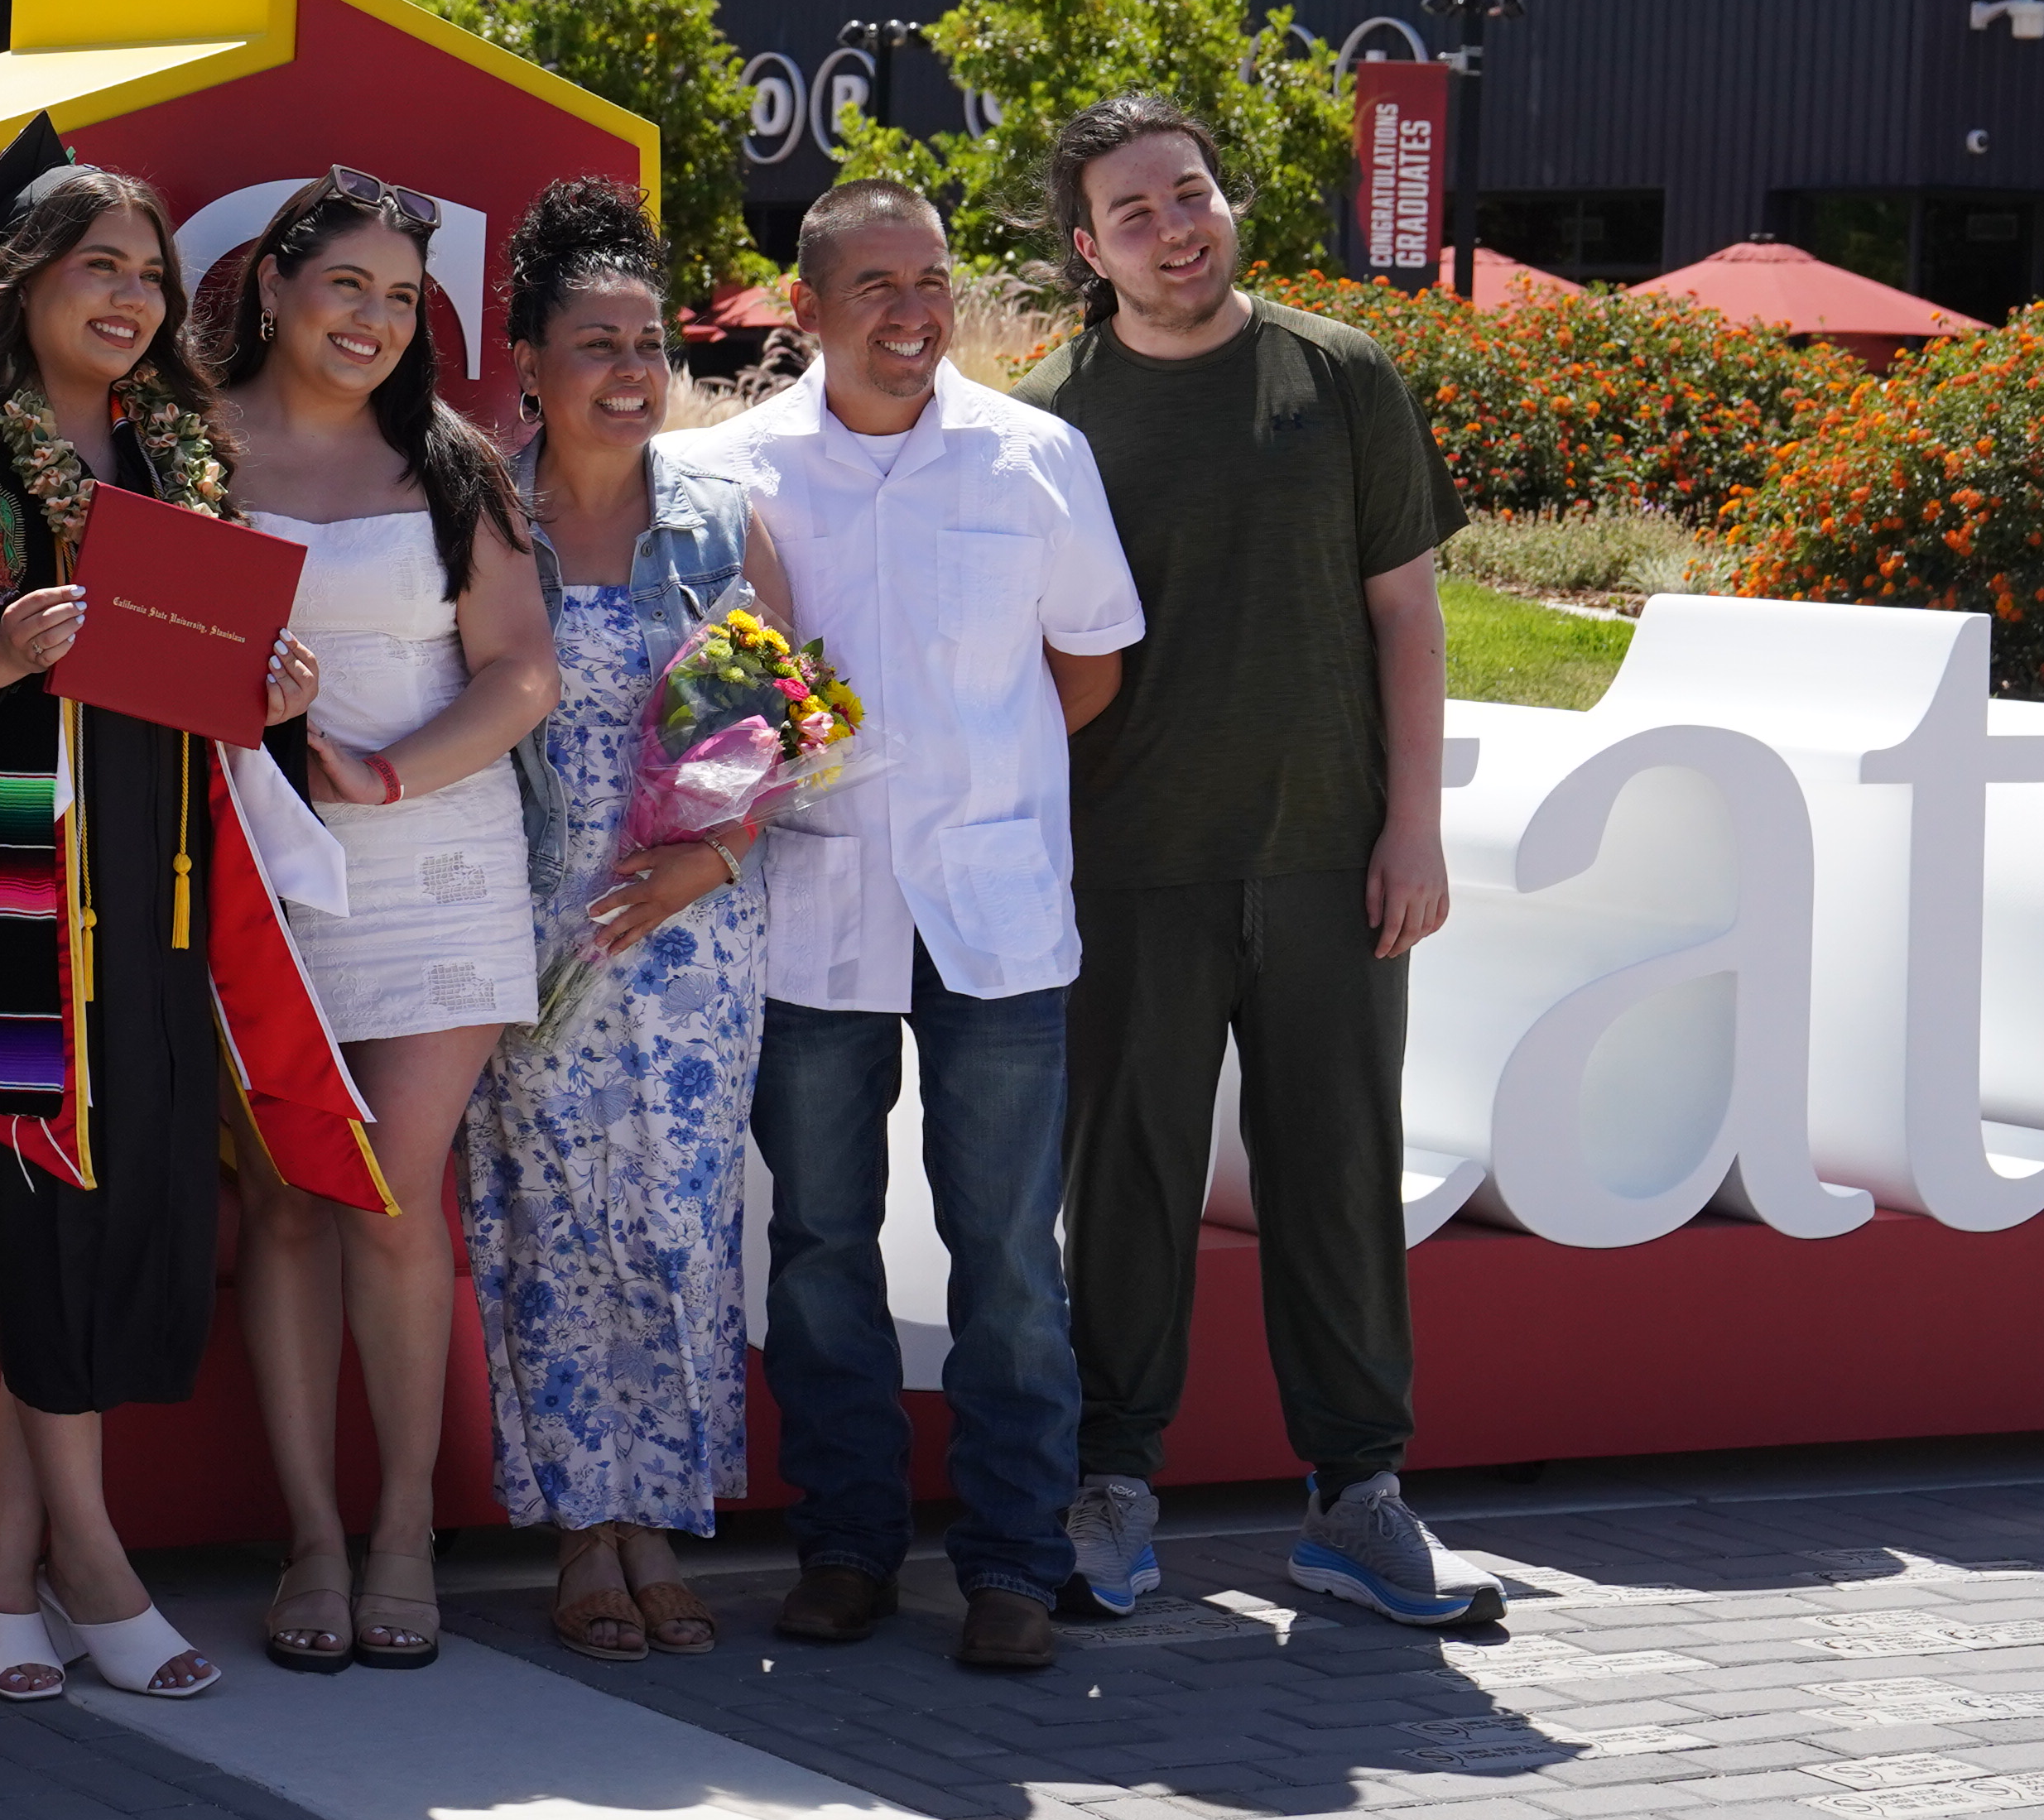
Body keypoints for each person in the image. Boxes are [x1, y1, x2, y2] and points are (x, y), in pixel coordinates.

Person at [0, 158, 325, 1707]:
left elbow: (210, 685)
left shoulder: (182, 451)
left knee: (121, 1206)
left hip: (154, 878)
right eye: (95, 265)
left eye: (150, 272)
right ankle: (92, 1555)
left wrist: (274, 700)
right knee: (50, 1200)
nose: (129, 298)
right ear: (19, 278)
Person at [1010, 93, 1483, 1629]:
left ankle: (1360, 1499)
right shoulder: (1048, 414)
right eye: (1134, 214)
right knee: (1126, 1187)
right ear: (1090, 249)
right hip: (1126, 866)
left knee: (1336, 1181)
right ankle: (1114, 1486)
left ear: (1228, 205)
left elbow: (1407, 615)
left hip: (1327, 863)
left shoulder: (1339, 375)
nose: (1174, 228)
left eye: (1190, 194)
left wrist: (1414, 826)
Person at [680, 178, 1137, 1675]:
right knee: (817, 1240)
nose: (912, 311)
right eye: (873, 285)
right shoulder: (733, 472)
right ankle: (848, 1546)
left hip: (992, 914)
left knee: (1007, 1246)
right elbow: (720, 696)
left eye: (930, 280)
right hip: (815, 907)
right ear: (804, 308)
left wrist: (970, 777)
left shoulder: (1034, 458)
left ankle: (1013, 1558)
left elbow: (1086, 671)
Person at [207, 170, 553, 1674]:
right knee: (283, 1204)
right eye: (346, 284)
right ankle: (311, 1540)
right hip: (255, 883)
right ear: (275, 283)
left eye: (402, 298)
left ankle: (408, 1529)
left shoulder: (451, 462)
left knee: (391, 1197)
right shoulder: (187, 450)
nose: (372, 319)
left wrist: (383, 769)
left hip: (438, 875)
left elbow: (521, 673)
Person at [467, 179, 797, 1662]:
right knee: (546, 1216)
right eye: (594, 342)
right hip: (526, 924)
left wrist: (704, 868)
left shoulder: (723, 525)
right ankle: (578, 1525)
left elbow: (788, 728)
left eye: (650, 343)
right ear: (527, 364)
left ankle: (657, 1516)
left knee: (676, 1213)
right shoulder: (474, 514)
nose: (629, 370)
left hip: (688, 933)